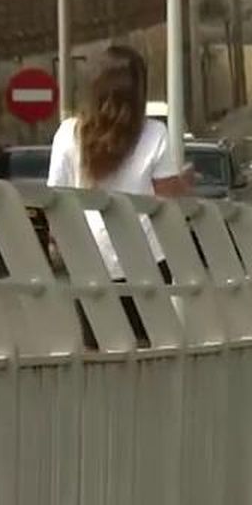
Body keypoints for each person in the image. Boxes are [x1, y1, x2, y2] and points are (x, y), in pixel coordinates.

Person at [46, 44, 190, 344]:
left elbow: (56, 200)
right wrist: (182, 184)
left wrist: (58, 244)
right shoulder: (154, 134)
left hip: (89, 258)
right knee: (149, 348)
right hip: (146, 260)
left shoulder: (67, 134)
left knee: (97, 349)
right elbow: (166, 204)